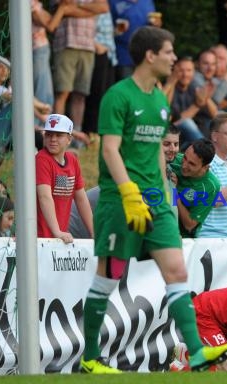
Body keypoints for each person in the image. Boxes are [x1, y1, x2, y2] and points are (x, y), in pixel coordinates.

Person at [80, 26, 227, 374]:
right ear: (150, 56)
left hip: (156, 200)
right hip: (120, 201)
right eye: (169, 52)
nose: (174, 58)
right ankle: (90, 357)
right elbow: (108, 150)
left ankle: (195, 352)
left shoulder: (160, 102)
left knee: (177, 270)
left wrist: (163, 195)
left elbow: (154, 154)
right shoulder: (118, 96)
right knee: (108, 277)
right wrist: (128, 193)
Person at [51, 0, 109, 141]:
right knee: (62, 92)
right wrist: (90, 10)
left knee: (80, 94)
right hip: (66, 44)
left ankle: (76, 136)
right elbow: (63, 7)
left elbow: (103, 7)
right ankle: (58, 134)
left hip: (88, 46)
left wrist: (76, 8)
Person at [36, 114, 93, 243]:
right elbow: (44, 197)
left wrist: (94, 231)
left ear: (69, 139)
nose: (53, 139)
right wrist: (57, 232)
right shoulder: (41, 159)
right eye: (49, 134)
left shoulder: (72, 160)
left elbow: (81, 198)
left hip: (59, 237)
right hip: (40, 238)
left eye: (59, 135)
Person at [170, 139, 219, 238]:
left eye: (191, 164)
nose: (184, 165)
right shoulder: (174, 160)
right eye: (185, 158)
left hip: (183, 240)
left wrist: (174, 192)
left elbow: (190, 225)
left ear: (205, 167)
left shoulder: (211, 186)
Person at [163, 56, 210, 146]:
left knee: (213, 120)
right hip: (170, 131)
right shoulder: (168, 87)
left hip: (187, 137)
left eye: (189, 70)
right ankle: (207, 151)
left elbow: (214, 113)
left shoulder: (193, 87)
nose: (185, 74)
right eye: (181, 70)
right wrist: (171, 83)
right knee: (187, 123)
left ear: (194, 72)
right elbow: (176, 118)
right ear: (174, 71)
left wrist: (206, 98)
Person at [109, 0, 160, 80]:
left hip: (145, 55)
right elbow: (105, 28)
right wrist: (118, 30)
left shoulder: (147, 2)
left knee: (144, 88)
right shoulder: (113, 2)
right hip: (123, 55)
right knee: (126, 87)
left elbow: (155, 25)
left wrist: (156, 24)